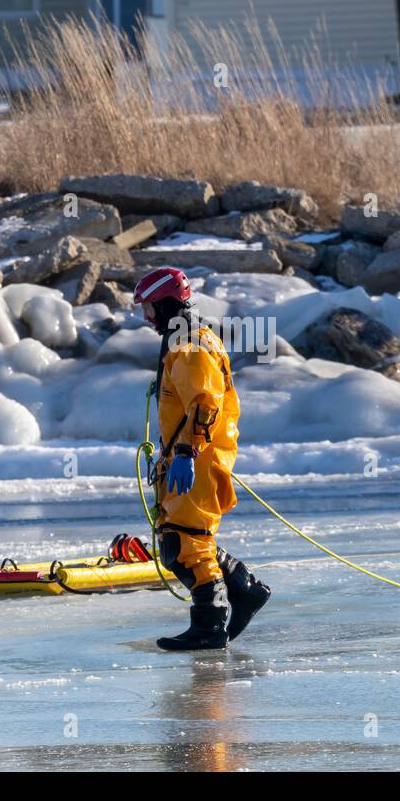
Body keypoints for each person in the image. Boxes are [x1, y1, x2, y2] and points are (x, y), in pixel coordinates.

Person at [134, 266, 270, 651]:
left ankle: (210, 624)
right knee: (188, 538)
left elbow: (206, 402)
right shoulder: (187, 338)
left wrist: (186, 451)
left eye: (149, 308)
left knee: (184, 545)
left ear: (167, 304)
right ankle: (244, 589)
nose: (147, 319)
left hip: (198, 455)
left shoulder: (190, 344)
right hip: (194, 452)